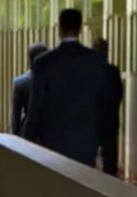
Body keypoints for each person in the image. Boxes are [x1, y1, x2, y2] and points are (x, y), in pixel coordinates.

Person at [22, 9, 110, 166]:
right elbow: (103, 105)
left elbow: (35, 107)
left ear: (60, 30)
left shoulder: (43, 62)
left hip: (52, 142)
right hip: (86, 142)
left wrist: (26, 142)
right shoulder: (96, 61)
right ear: (80, 29)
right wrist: (105, 144)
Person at [95, 37, 124, 176]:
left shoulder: (90, 72)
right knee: (110, 154)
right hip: (110, 119)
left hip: (93, 119)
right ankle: (110, 178)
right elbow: (119, 93)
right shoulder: (113, 71)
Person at [11, 43, 48, 137]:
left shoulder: (20, 82)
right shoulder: (54, 80)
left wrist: (15, 135)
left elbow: (16, 114)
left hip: (28, 132)